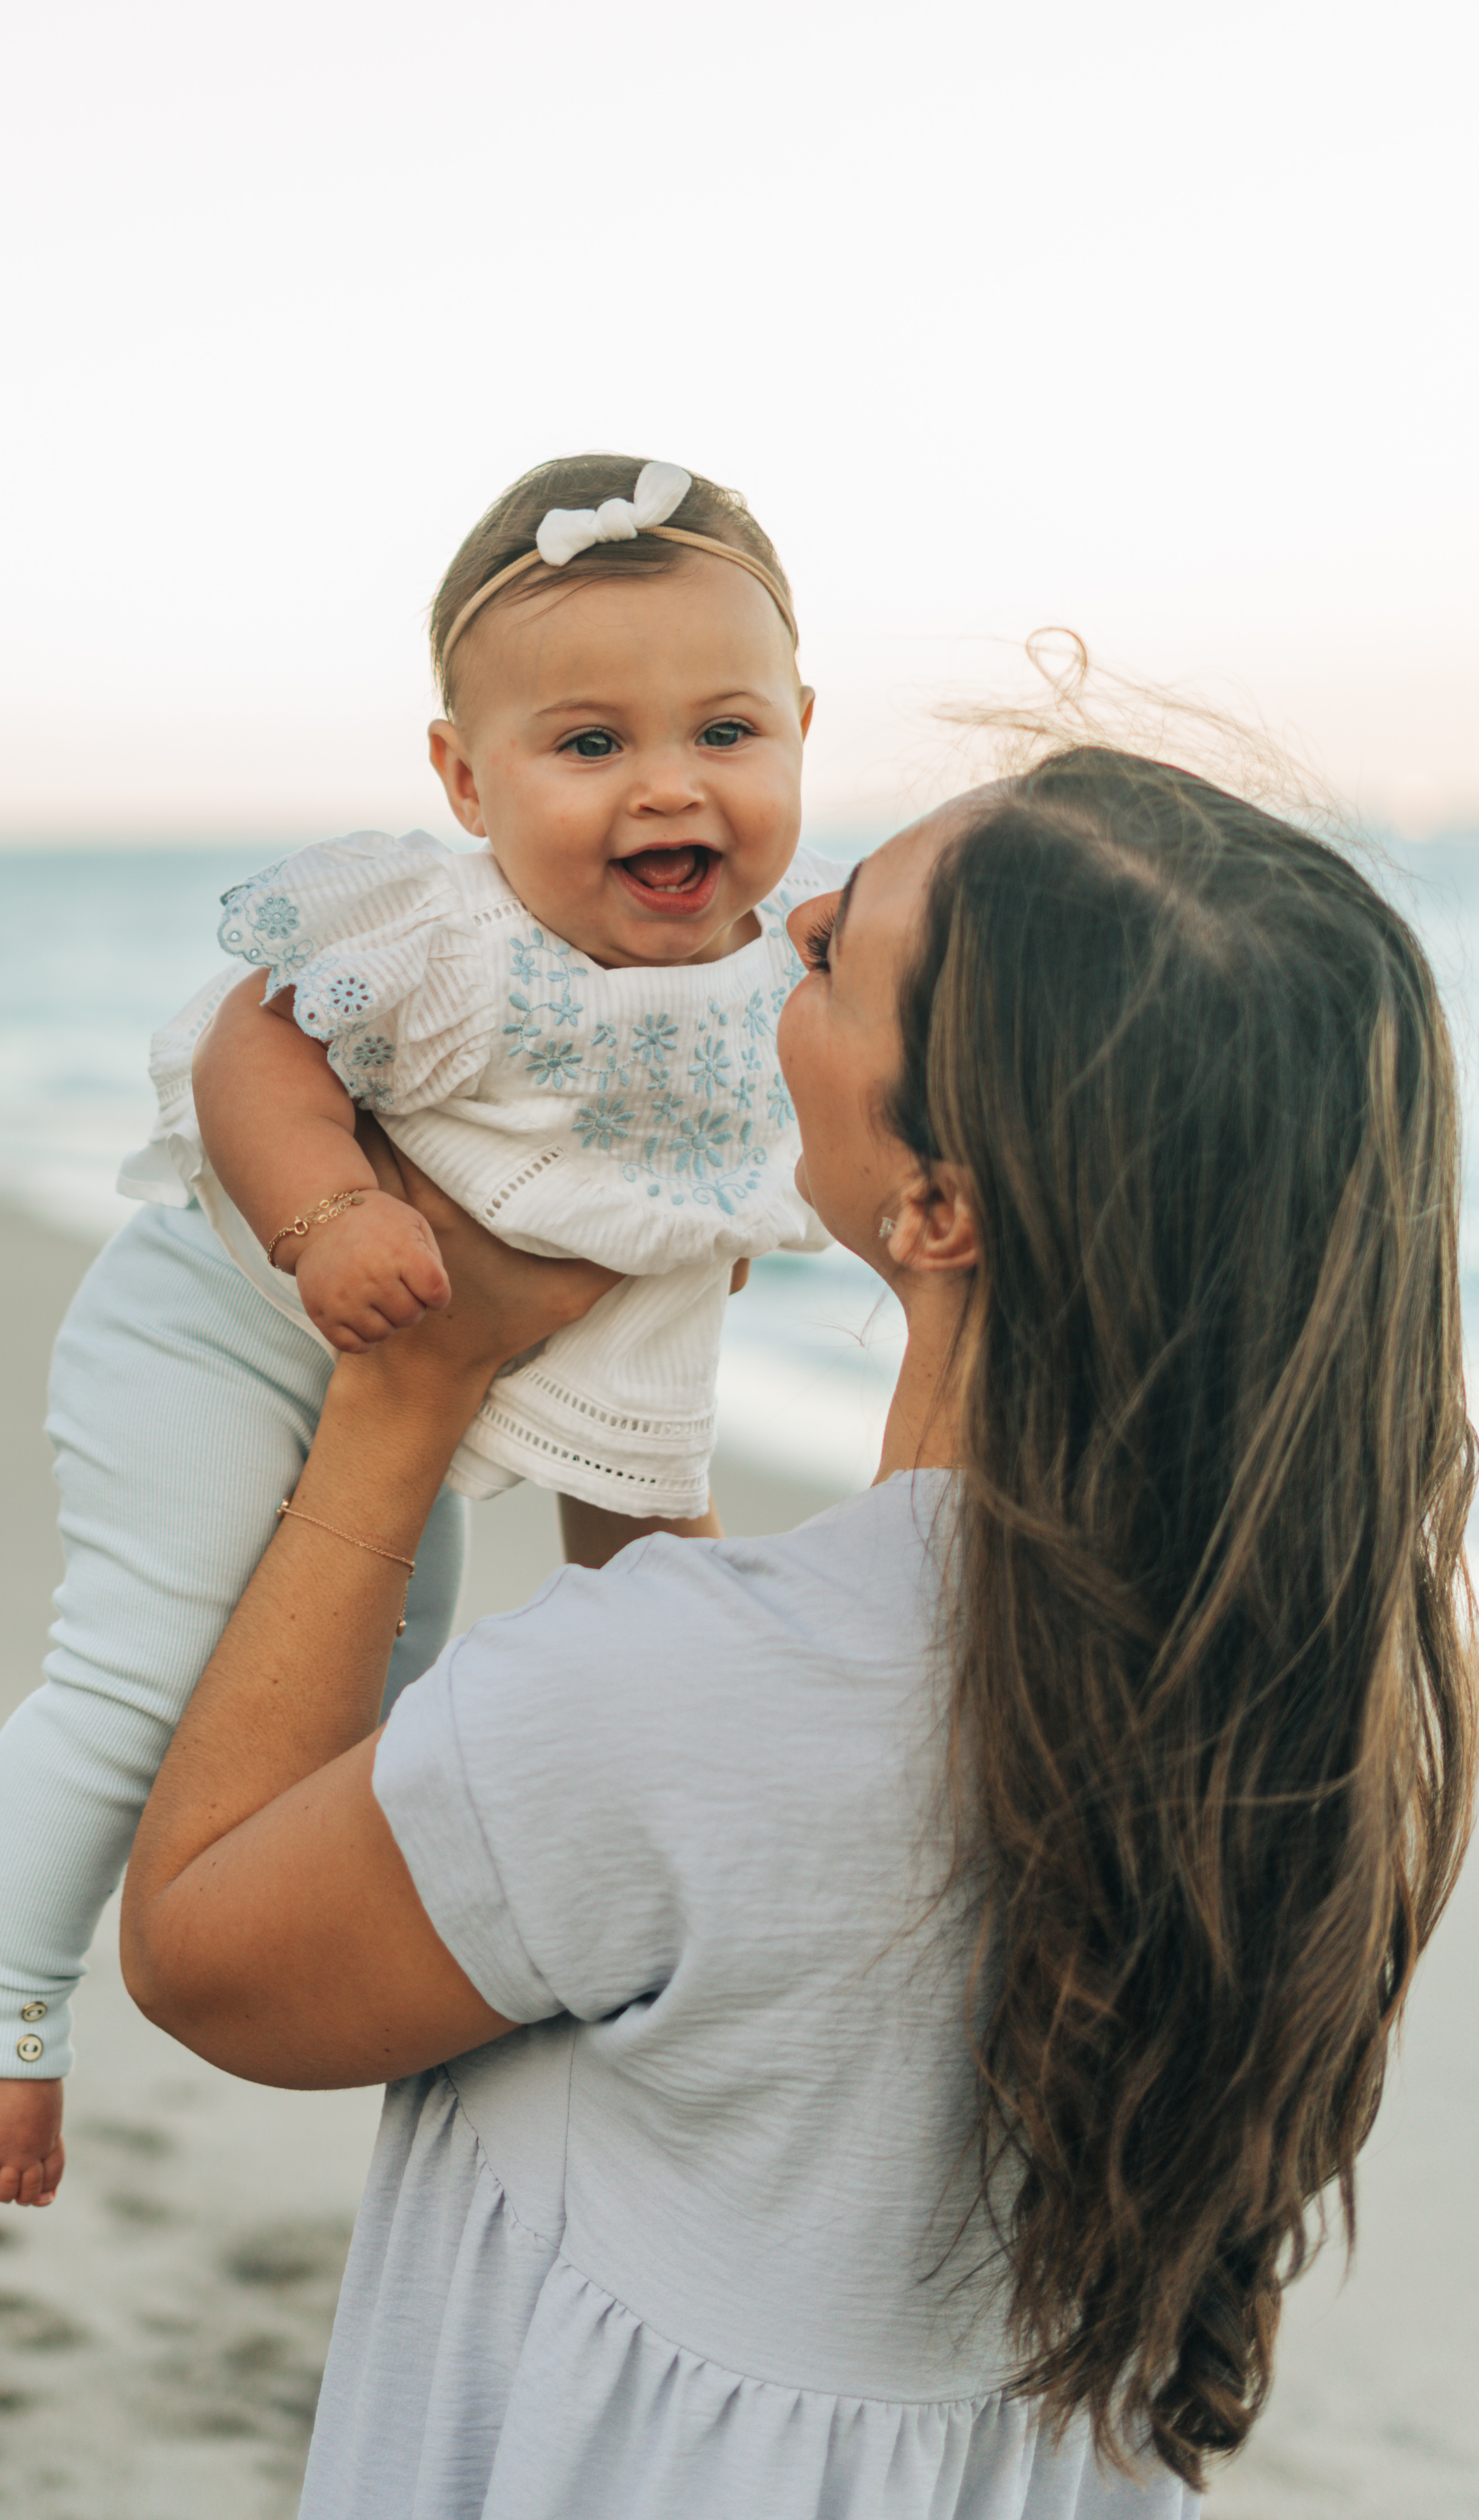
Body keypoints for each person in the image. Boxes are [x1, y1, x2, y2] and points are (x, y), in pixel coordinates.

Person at [122, 748, 1475, 2510]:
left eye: (844, 952)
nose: (798, 909)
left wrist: (410, 1390)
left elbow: (204, 1952)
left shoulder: (701, 1691)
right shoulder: (1317, 1692)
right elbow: (720, 1806)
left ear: (936, 1206)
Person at [0, 454, 839, 2205]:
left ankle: (393, 1908)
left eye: (725, 734)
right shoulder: (442, 930)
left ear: (800, 728)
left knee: (357, 1704)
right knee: (145, 1671)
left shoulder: (775, 977)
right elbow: (250, 1048)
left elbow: (733, 1221)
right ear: (462, 777)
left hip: (416, 1386)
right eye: (588, 747)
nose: (670, 788)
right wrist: (327, 1211)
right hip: (218, 1329)